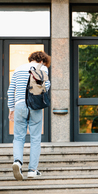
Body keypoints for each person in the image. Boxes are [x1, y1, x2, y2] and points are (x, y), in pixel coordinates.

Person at [7, 51, 51, 181]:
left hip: (20, 105)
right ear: (42, 60)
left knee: (19, 137)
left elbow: (11, 91)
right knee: (35, 138)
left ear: (30, 59)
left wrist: (11, 108)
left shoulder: (18, 69)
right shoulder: (43, 68)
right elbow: (46, 87)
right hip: (35, 106)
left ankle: (18, 162)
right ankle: (32, 170)